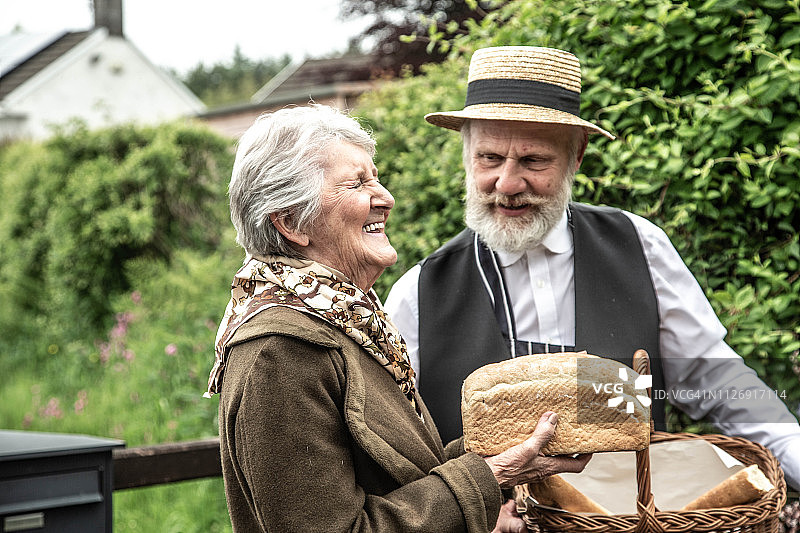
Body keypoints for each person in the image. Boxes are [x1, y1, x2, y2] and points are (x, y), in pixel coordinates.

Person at [384, 46, 800, 491]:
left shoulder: (640, 246)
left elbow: (714, 378)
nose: (507, 184)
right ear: (467, 154)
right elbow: (395, 450)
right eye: (489, 158)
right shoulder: (417, 294)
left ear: (577, 154)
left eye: (533, 161)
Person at [203, 104, 590, 533]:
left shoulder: (349, 320)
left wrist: (506, 447)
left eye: (376, 177)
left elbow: (407, 476)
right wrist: (491, 476)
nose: (385, 197)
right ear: (292, 222)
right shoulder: (279, 353)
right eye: (358, 182)